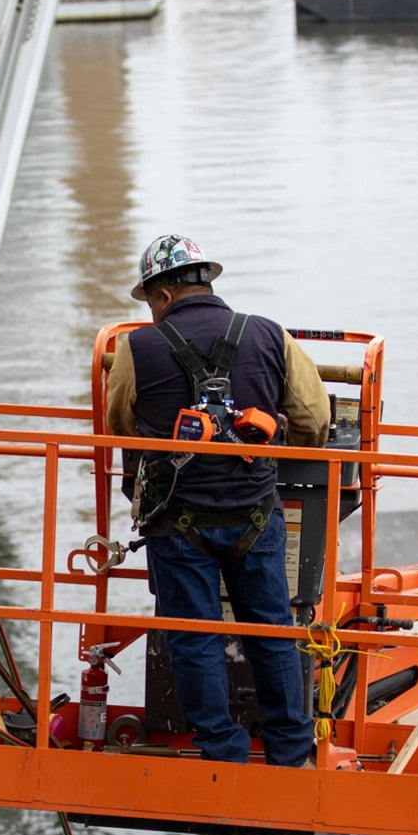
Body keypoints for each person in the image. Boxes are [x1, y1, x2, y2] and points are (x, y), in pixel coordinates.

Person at [105, 234, 329, 767]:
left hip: (176, 524)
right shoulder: (270, 335)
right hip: (255, 513)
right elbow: (314, 420)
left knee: (195, 638)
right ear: (207, 281)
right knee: (271, 631)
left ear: (160, 295)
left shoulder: (138, 348)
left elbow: (121, 427)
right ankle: (291, 750)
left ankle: (223, 752)